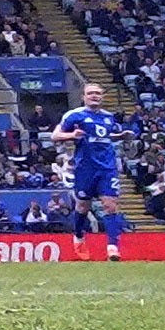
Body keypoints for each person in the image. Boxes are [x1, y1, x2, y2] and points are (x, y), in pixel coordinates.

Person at [52, 82, 127, 261]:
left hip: (107, 168)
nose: (94, 96)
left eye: (98, 93)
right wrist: (71, 135)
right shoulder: (74, 115)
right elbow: (55, 136)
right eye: (90, 93)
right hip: (85, 168)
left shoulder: (109, 117)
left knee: (110, 205)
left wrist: (120, 136)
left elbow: (103, 136)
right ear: (83, 97)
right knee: (83, 206)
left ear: (102, 96)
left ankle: (112, 248)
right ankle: (78, 236)